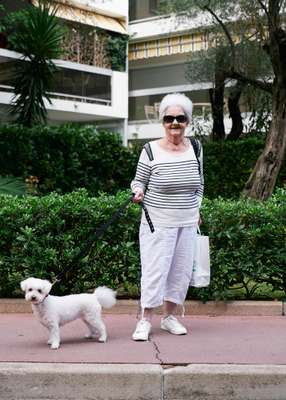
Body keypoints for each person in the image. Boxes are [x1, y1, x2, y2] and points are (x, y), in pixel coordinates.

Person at [130, 92, 204, 341]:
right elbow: (138, 181)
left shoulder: (195, 147)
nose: (175, 123)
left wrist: (197, 210)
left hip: (187, 221)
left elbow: (199, 184)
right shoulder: (150, 150)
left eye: (180, 118)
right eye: (169, 118)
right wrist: (138, 191)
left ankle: (169, 317)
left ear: (187, 121)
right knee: (154, 271)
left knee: (180, 272)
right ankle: (144, 320)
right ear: (162, 121)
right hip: (157, 222)